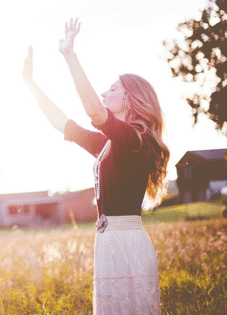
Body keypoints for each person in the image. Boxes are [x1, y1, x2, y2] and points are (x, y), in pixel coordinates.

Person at [22, 18, 168, 314]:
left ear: (130, 97)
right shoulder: (110, 144)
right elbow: (61, 123)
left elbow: (93, 110)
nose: (104, 94)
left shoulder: (135, 139)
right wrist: (30, 83)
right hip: (109, 242)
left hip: (126, 243)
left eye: (112, 89)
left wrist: (70, 56)